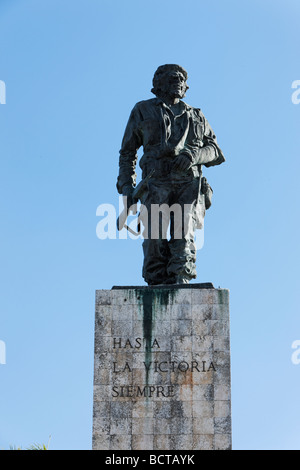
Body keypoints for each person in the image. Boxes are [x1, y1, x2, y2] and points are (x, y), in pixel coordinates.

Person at [117, 64, 225, 285]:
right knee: (153, 236)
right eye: (172, 77)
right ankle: (156, 280)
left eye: (182, 79)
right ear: (158, 84)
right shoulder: (143, 110)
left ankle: (181, 277)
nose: (178, 80)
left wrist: (193, 155)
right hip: (155, 182)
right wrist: (127, 187)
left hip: (188, 182)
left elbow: (215, 150)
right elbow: (128, 153)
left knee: (183, 231)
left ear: (186, 87)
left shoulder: (196, 115)